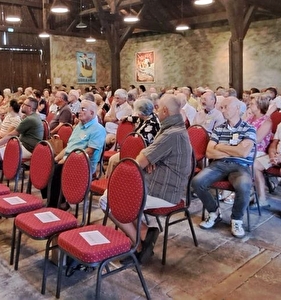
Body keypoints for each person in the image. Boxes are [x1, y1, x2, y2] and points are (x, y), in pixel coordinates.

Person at [100, 94, 192, 264]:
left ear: (165, 110)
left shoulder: (171, 133)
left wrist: (148, 159)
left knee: (108, 200)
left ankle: (138, 245)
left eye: (157, 108)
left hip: (166, 191)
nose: (155, 111)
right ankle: (144, 232)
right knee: (115, 197)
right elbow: (146, 155)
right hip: (157, 183)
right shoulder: (172, 128)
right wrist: (149, 158)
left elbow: (139, 162)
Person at [192, 96, 256, 239]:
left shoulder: (249, 128)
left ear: (237, 109)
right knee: (197, 182)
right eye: (222, 107)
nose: (222, 110)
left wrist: (220, 147)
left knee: (244, 185)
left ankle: (236, 219)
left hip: (240, 166)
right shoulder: (219, 128)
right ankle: (214, 212)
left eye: (226, 107)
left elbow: (243, 152)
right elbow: (209, 152)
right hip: (219, 165)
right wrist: (234, 148)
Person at [46, 100, 106, 208]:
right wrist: (56, 158)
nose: (79, 112)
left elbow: (89, 152)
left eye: (83, 109)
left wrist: (67, 159)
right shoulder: (78, 126)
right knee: (47, 165)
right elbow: (70, 146)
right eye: (79, 109)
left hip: (83, 163)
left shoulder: (98, 129)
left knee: (57, 170)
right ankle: (53, 199)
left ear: (92, 113)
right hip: (69, 158)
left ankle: (56, 205)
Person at [253, 98, 281, 216]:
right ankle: (262, 199)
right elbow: (274, 143)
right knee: (254, 165)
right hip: (278, 154)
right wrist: (272, 154)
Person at [105, 98, 161, 177]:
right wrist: (127, 118)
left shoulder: (151, 124)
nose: (137, 114)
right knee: (113, 159)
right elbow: (136, 119)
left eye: (138, 112)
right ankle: (112, 181)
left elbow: (143, 144)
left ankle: (111, 183)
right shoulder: (147, 116)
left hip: (141, 154)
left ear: (142, 112)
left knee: (113, 160)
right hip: (135, 150)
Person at [0, 97, 43, 161]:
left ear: (30, 108)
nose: (21, 106)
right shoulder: (34, 116)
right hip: (26, 145)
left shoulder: (30, 119)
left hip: (28, 149)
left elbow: (12, 134)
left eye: (24, 104)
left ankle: (9, 168)